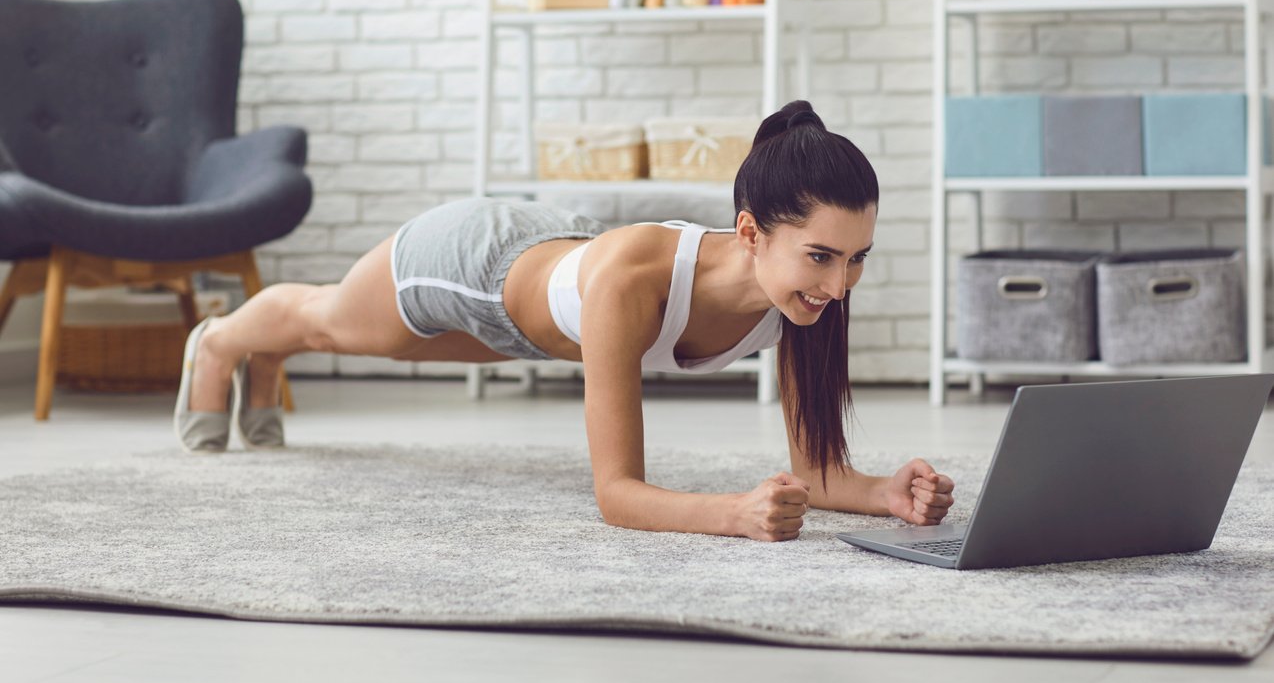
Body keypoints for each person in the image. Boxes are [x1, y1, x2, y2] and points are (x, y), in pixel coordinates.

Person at [174, 100, 956, 541]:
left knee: (368, 341)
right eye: (822, 256)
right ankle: (221, 343)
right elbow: (617, 494)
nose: (842, 283)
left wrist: (884, 490)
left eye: (858, 258)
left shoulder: (806, 298)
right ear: (751, 232)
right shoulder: (634, 282)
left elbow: (817, 474)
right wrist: (732, 513)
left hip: (550, 277)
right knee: (329, 323)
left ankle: (264, 361)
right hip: (477, 263)